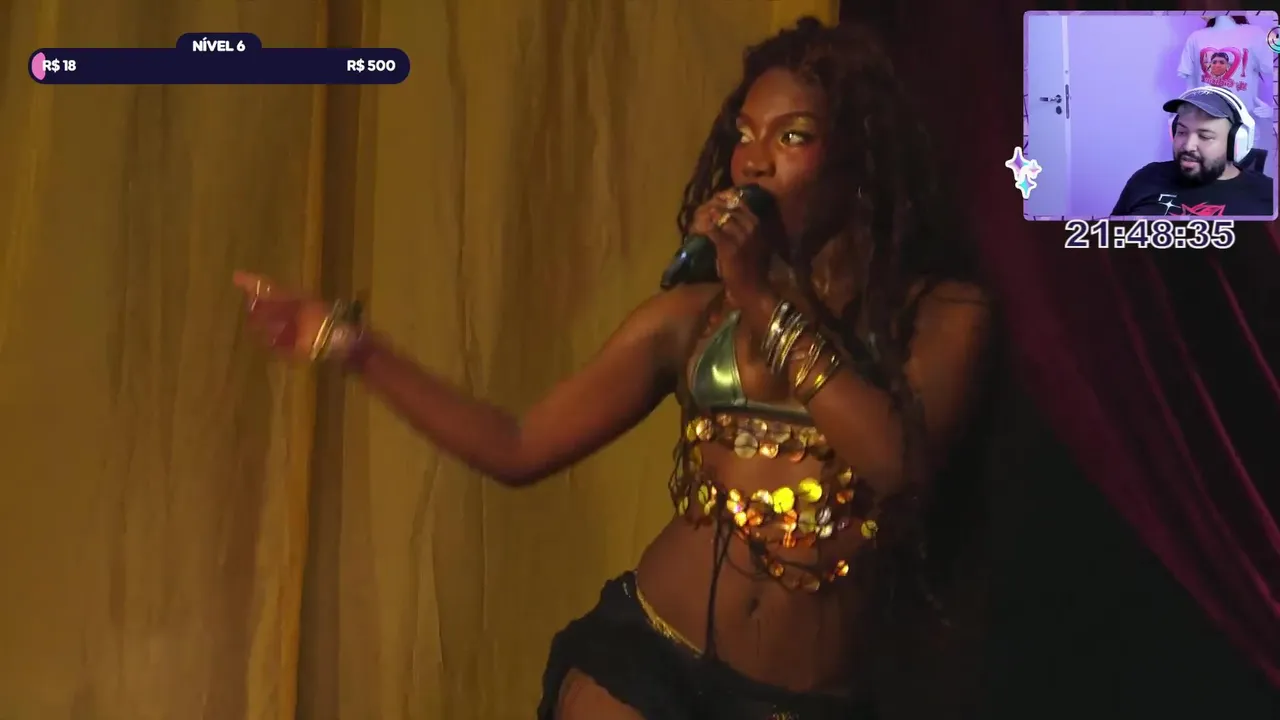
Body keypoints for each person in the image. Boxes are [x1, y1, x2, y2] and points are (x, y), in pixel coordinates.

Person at [235, 17, 991, 720]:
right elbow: (518, 446)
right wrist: (353, 347)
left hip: (805, 698)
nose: (753, 159)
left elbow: (896, 462)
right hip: (648, 657)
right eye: (744, 134)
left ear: (859, 157)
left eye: (792, 135)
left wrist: (763, 299)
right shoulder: (691, 317)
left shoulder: (943, 315)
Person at [1111, 86, 1274, 218]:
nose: (1189, 146)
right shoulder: (1147, 177)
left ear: (1236, 141)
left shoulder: (1268, 196)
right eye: (1182, 132)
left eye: (1205, 136)